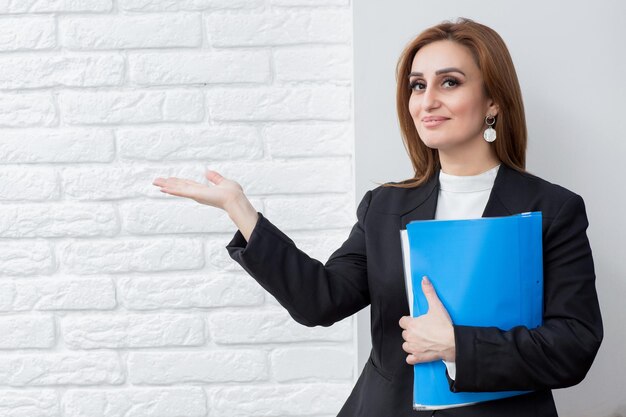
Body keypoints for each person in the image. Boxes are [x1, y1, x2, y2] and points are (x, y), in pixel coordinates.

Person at [152, 17, 602, 417]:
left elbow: (573, 346)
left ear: (493, 102)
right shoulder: (384, 207)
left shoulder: (552, 209)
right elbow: (320, 302)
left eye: (449, 82)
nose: (427, 101)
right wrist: (241, 210)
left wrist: (457, 347)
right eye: (417, 85)